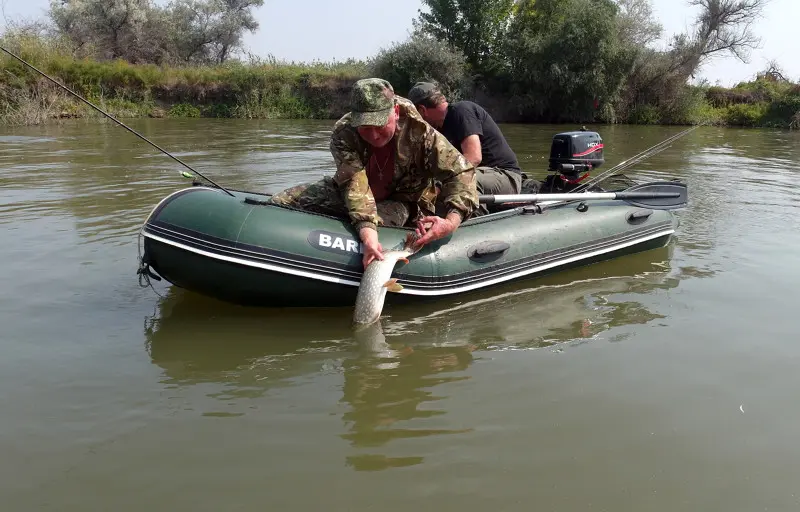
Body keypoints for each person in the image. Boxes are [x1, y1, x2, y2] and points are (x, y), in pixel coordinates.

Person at [270, 78, 480, 269]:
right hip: (354, 192)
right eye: (364, 127)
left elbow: (461, 172)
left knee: (381, 221)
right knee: (279, 202)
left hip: (403, 201)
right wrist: (367, 234)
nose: (373, 135)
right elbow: (354, 185)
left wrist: (450, 222)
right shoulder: (344, 135)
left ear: (395, 112)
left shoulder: (421, 133)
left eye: (379, 125)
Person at [407, 82, 540, 203]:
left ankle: (468, 223)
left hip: (505, 176)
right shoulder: (439, 131)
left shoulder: (461, 111)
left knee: (459, 183)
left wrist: (439, 185)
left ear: (422, 110)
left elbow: (474, 157)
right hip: (482, 176)